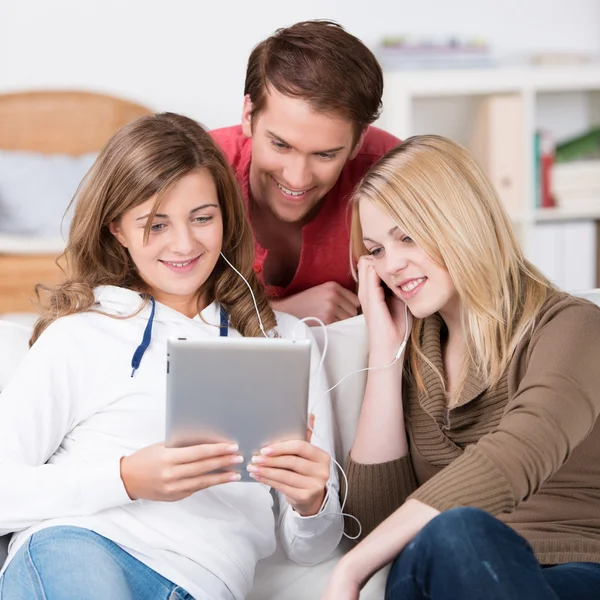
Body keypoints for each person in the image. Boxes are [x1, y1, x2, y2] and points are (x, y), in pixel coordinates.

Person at [0, 113, 343, 600]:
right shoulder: (79, 335)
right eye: (155, 224)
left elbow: (312, 547)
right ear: (117, 228)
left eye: (202, 218)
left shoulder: (281, 341)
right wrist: (125, 479)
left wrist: (311, 500)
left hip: (205, 584)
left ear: (226, 215)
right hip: (81, 546)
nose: (184, 244)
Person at [322, 135, 600, 600]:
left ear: (460, 222)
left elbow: (519, 452)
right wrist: (384, 354)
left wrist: (351, 570)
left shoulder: (574, 328)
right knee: (454, 534)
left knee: (462, 530)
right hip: (436, 578)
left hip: (572, 573)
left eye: (407, 237)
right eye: (375, 251)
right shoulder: (415, 356)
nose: (391, 265)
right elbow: (376, 523)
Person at [211, 20, 400, 325]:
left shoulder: (392, 169)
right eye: (281, 145)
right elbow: (140, 294)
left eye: (325, 154)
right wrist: (279, 313)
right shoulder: (197, 169)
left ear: (358, 140)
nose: (297, 179)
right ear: (248, 115)